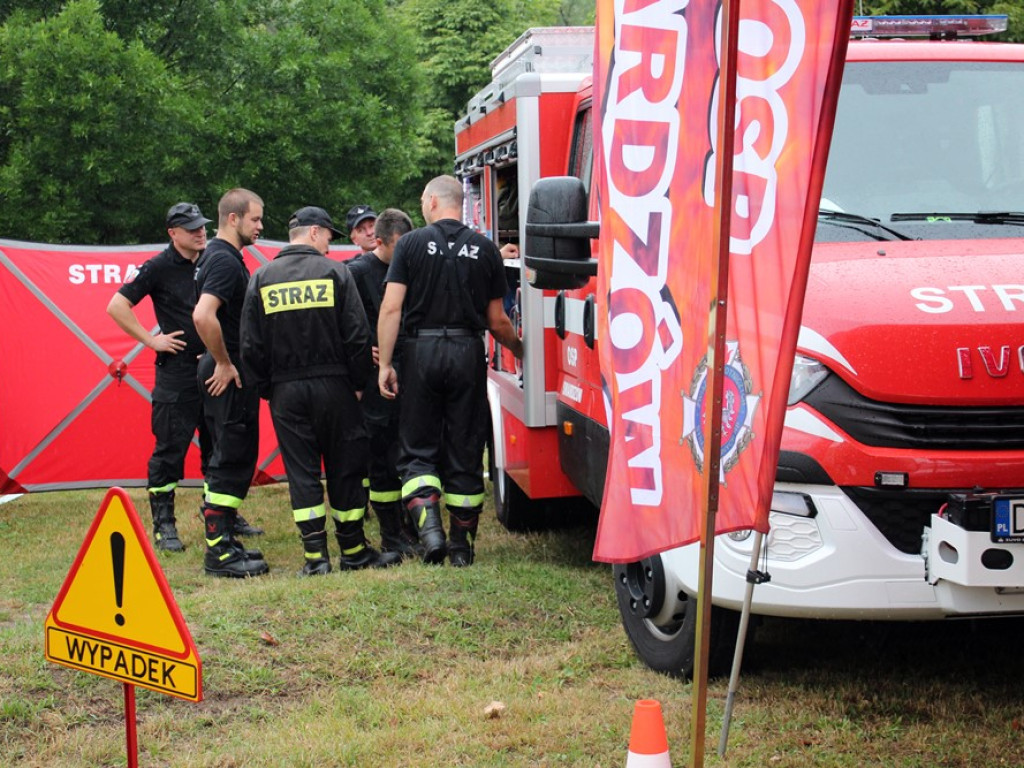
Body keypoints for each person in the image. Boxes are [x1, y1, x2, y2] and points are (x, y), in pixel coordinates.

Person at [240, 206, 401, 574]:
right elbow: (358, 337)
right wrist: (359, 385)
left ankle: (315, 558)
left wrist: (270, 389)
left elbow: (250, 346)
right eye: (329, 235)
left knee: (302, 472)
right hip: (336, 387)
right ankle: (354, 551)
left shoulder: (262, 278)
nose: (330, 244)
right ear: (314, 233)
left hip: (286, 391)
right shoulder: (336, 273)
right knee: (346, 467)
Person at [377, 175, 524, 566]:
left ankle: (430, 533)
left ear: (430, 201)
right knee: (464, 446)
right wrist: (520, 350)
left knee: (417, 448)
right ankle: (461, 548)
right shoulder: (486, 249)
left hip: (420, 350)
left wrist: (387, 364)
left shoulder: (408, 245)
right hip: (466, 351)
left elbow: (391, 308)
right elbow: (498, 320)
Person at [106, 202, 213, 553]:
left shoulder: (216, 259)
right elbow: (116, 306)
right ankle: (164, 525)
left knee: (220, 446)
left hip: (215, 367)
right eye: (192, 228)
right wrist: (151, 340)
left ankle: (220, 515)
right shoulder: (157, 267)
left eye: (202, 226)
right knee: (170, 448)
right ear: (173, 233)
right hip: (178, 372)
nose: (201, 232)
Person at [193, 188, 268, 578]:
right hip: (229, 370)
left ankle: (225, 541)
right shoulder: (223, 260)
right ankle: (219, 554)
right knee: (233, 456)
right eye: (255, 219)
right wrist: (222, 362)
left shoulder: (218, 257)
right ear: (233, 219)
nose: (260, 226)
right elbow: (204, 316)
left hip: (228, 366)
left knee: (228, 451)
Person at [346, 208, 420, 559]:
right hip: (375, 378)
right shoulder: (356, 272)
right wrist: (366, 354)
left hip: (409, 368)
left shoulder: (409, 265)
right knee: (381, 455)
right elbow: (345, 322)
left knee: (408, 449)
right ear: (379, 242)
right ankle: (391, 533)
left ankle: (410, 521)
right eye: (399, 248)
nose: (405, 255)